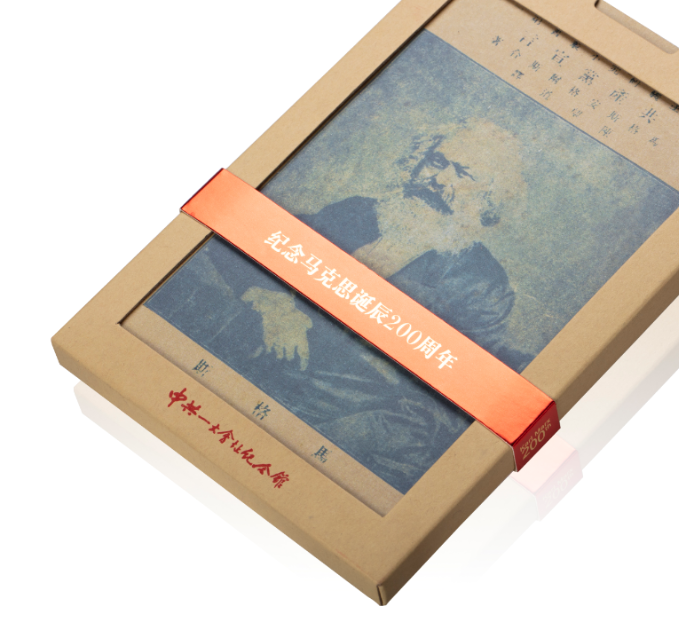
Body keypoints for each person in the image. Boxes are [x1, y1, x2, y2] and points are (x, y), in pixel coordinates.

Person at [147, 118, 530, 493]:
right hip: (252, 360)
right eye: (437, 161)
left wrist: (330, 436)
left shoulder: (481, 285)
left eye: (462, 173)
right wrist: (274, 304)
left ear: (488, 199)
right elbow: (250, 233)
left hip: (338, 414)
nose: (439, 180)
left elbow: (444, 413)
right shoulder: (359, 212)